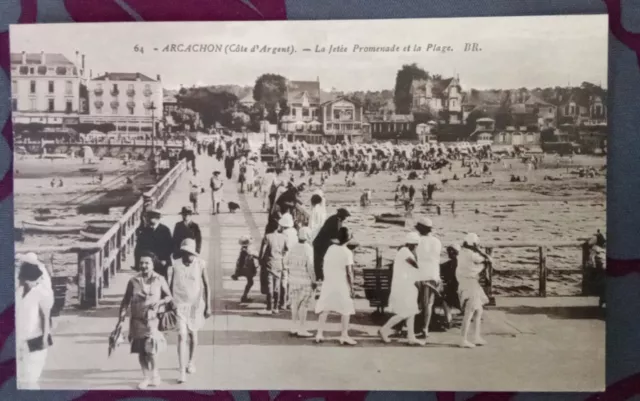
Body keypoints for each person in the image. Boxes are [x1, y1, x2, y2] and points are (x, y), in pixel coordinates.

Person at [118, 251, 172, 389]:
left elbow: (169, 297)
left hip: (152, 319)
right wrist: (121, 318)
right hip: (136, 320)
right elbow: (125, 300)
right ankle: (146, 377)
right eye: (141, 263)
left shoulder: (159, 279)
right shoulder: (133, 281)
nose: (143, 265)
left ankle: (155, 374)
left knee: (151, 349)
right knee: (141, 350)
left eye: (147, 263)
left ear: (153, 264)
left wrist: (160, 302)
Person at [167, 239, 211, 383]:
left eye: (191, 253)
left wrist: (208, 306)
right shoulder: (175, 265)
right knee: (181, 335)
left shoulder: (200, 264)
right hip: (179, 304)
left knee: (193, 334)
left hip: (196, 305)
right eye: (186, 253)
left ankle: (191, 362)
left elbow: (207, 285)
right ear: (183, 253)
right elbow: (169, 285)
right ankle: (181, 371)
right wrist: (168, 303)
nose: (189, 256)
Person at [379, 232, 424, 346]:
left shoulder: (405, 251)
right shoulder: (405, 252)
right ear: (413, 244)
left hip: (408, 285)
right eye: (416, 245)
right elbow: (415, 265)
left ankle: (411, 337)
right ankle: (384, 329)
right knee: (405, 312)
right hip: (404, 287)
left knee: (412, 311)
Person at [314, 227, 358, 345]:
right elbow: (349, 273)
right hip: (341, 283)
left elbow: (324, 264)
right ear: (348, 239)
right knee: (346, 309)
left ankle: (319, 333)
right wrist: (352, 288)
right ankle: (344, 335)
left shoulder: (331, 248)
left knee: (325, 308)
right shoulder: (347, 253)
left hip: (329, 282)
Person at [16, 261, 54, 389]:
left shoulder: (40, 293)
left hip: (36, 339)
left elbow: (46, 317)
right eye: (36, 280)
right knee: (20, 380)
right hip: (19, 340)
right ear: (26, 280)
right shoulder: (17, 293)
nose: (38, 282)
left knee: (31, 380)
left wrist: (44, 338)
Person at [457, 233, 491, 348]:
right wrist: (480, 250)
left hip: (467, 284)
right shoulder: (472, 255)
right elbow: (487, 259)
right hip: (470, 284)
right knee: (470, 312)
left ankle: (475, 336)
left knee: (478, 311)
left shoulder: (462, 253)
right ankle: (463, 339)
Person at [284, 226, 316, 337]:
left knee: (294, 304)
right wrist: (314, 280)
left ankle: (293, 327)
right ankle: (302, 328)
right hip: (305, 281)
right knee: (304, 305)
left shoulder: (293, 247)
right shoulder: (308, 249)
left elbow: (285, 262)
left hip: (293, 280)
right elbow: (310, 267)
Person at [414, 216, 442, 339]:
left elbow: (414, 257)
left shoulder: (417, 241)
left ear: (420, 228)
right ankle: (425, 328)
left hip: (419, 275)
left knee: (416, 303)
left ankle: (412, 326)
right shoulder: (437, 241)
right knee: (428, 304)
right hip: (433, 274)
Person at [259, 216, 289, 314]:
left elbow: (263, 251)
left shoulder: (267, 236)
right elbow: (286, 250)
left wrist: (260, 260)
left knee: (269, 285)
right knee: (277, 285)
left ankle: (269, 307)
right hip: (279, 263)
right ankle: (276, 307)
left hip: (269, 263)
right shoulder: (284, 237)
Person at [312, 208, 350, 281]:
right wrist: (347, 239)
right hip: (321, 243)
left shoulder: (334, 218)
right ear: (341, 215)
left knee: (319, 262)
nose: (345, 218)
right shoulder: (336, 221)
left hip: (321, 242)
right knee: (319, 261)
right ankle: (320, 278)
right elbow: (337, 236)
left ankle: (320, 277)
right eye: (345, 216)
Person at [135, 209, 173, 280]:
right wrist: (137, 264)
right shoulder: (144, 231)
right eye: (148, 219)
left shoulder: (165, 230)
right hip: (147, 263)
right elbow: (138, 248)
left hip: (161, 262)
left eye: (151, 219)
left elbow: (170, 247)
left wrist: (165, 260)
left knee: (161, 281)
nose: (149, 222)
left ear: (157, 219)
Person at [232, 236, 259, 303]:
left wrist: (237, 272)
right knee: (250, 282)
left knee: (250, 282)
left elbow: (239, 262)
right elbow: (253, 256)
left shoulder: (243, 250)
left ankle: (244, 296)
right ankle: (244, 297)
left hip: (246, 268)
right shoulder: (246, 251)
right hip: (247, 269)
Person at [440, 245, 461, 326]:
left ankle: (448, 320)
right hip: (460, 290)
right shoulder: (461, 263)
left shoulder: (450, 264)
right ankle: (448, 320)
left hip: (454, 291)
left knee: (444, 299)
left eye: (451, 251)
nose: (449, 253)